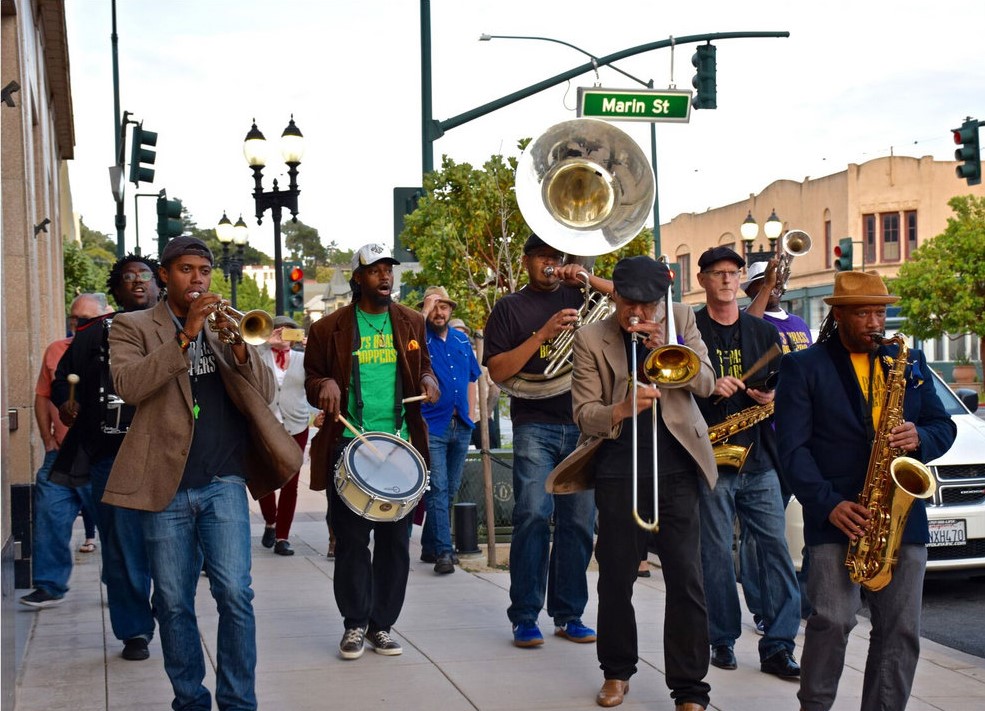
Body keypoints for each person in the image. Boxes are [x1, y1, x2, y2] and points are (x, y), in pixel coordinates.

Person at [105, 236, 301, 710]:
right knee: (172, 602)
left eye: (204, 271)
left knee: (235, 593)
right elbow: (130, 386)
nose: (198, 280)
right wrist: (185, 334)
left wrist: (237, 348)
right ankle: (190, 700)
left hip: (223, 479)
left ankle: (238, 702)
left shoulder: (225, 324)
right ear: (165, 276)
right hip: (164, 484)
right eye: (187, 270)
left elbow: (264, 389)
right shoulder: (129, 327)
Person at [775, 271, 956, 711]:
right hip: (837, 513)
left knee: (901, 630)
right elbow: (792, 449)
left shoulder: (907, 363)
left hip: (900, 516)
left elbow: (942, 426)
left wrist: (921, 439)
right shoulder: (804, 366)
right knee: (831, 622)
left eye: (880, 311)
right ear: (838, 314)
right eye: (864, 313)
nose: (876, 322)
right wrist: (828, 504)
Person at [571, 256, 717, 711]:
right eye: (629, 303)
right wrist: (620, 407)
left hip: (676, 463)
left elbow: (709, 384)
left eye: (648, 305)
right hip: (619, 464)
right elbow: (583, 413)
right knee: (615, 576)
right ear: (614, 296)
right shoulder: (591, 336)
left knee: (686, 577)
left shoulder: (681, 318)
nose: (638, 314)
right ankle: (616, 672)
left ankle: (690, 689)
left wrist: (669, 346)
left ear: (661, 301)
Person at [304, 242, 439, 660]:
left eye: (389, 269)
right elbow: (312, 377)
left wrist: (429, 381)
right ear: (358, 278)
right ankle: (354, 623)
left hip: (400, 446)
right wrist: (322, 385)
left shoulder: (412, 322)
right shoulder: (329, 328)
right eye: (375, 270)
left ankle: (382, 625)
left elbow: (424, 368)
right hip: (350, 445)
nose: (385, 276)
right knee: (351, 543)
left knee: (397, 545)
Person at [483, 233, 608, 648]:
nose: (551, 264)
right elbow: (498, 371)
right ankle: (524, 616)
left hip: (582, 422)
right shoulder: (509, 308)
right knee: (533, 515)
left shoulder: (582, 291)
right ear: (527, 262)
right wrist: (542, 335)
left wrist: (588, 276)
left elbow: (632, 299)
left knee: (577, 522)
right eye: (542, 258)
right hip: (534, 422)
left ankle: (569, 613)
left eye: (556, 257)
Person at [692, 246, 802, 678]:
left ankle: (778, 645)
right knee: (716, 552)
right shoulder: (691, 328)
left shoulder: (760, 333)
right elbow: (671, 381)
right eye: (718, 273)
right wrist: (707, 385)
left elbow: (783, 381)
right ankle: (721, 639)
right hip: (709, 454)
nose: (726, 280)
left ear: (741, 279)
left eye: (733, 273)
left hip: (758, 458)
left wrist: (772, 395)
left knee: (775, 550)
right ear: (702, 279)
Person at [49, 255, 161, 661]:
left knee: (174, 544)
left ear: (158, 284)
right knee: (122, 546)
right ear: (114, 289)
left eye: (144, 277)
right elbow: (63, 381)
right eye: (127, 278)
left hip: (168, 455)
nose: (136, 283)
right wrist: (66, 403)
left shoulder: (180, 328)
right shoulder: (92, 334)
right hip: (110, 454)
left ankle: (165, 606)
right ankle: (134, 630)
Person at [740, 257, 815, 627]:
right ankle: (761, 607)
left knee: (804, 527)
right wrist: (766, 284)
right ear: (752, 289)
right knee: (759, 534)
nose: (770, 290)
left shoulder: (800, 324)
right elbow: (747, 325)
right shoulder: (752, 320)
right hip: (766, 439)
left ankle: (800, 602)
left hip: (801, 437)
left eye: (772, 284)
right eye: (760, 286)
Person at [19, 294, 104, 609]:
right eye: (74, 318)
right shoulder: (56, 350)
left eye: (86, 319)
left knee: (114, 527)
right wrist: (46, 437)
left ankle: (121, 585)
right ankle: (49, 585)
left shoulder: (112, 350)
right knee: (50, 514)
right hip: (62, 453)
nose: (78, 324)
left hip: (101, 453)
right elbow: (42, 395)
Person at [419, 286, 481, 574]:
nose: (439, 312)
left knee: (450, 489)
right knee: (438, 488)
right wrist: (422, 314)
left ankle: (430, 545)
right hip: (433, 425)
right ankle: (445, 551)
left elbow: (472, 379)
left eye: (443, 306)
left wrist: (473, 415)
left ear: (451, 310)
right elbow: (404, 345)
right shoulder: (419, 339)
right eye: (433, 307)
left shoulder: (461, 340)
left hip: (461, 425)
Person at [256, 315, 310, 557]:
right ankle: (270, 521)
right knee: (265, 478)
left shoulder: (303, 359)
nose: (283, 334)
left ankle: (282, 537)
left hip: (296, 425)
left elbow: (324, 375)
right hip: (267, 425)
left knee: (291, 483)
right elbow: (241, 362)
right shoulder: (260, 357)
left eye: (289, 331)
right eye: (279, 330)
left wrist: (314, 348)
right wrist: (265, 341)